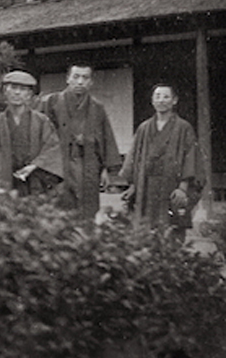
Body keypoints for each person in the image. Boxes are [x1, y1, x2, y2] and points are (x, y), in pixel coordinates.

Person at [36, 64, 121, 220]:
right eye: (76, 77)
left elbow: (106, 139)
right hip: (58, 165)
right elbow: (37, 136)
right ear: (67, 79)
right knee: (59, 210)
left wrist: (106, 171)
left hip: (87, 164)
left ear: (91, 82)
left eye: (85, 77)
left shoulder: (97, 107)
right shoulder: (50, 102)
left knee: (87, 210)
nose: (80, 82)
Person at [120, 84, 203, 240]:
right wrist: (133, 185)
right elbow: (135, 157)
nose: (161, 100)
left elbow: (190, 157)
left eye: (166, 97)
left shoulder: (183, 127)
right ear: (152, 101)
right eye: (157, 96)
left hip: (172, 184)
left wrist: (183, 187)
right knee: (146, 230)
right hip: (146, 185)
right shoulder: (144, 128)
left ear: (174, 100)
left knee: (171, 228)